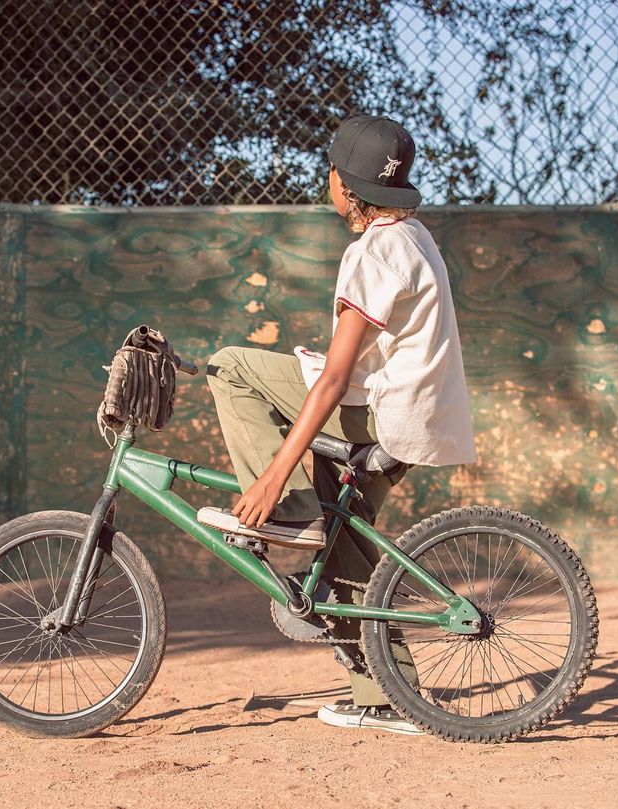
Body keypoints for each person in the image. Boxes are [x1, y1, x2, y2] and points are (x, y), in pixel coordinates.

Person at [198, 114, 476, 735]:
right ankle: (384, 695)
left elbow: (332, 383)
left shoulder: (373, 251)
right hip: (413, 419)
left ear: (344, 187)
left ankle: (293, 513)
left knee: (230, 366)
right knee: (348, 555)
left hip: (381, 413)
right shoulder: (415, 237)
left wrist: (274, 479)